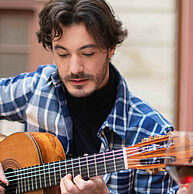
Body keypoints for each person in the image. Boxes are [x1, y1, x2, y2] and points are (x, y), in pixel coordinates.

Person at [0, 0, 179, 193]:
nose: (75, 68)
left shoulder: (151, 133)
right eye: (63, 54)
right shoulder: (37, 88)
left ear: (111, 49)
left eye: (87, 53)